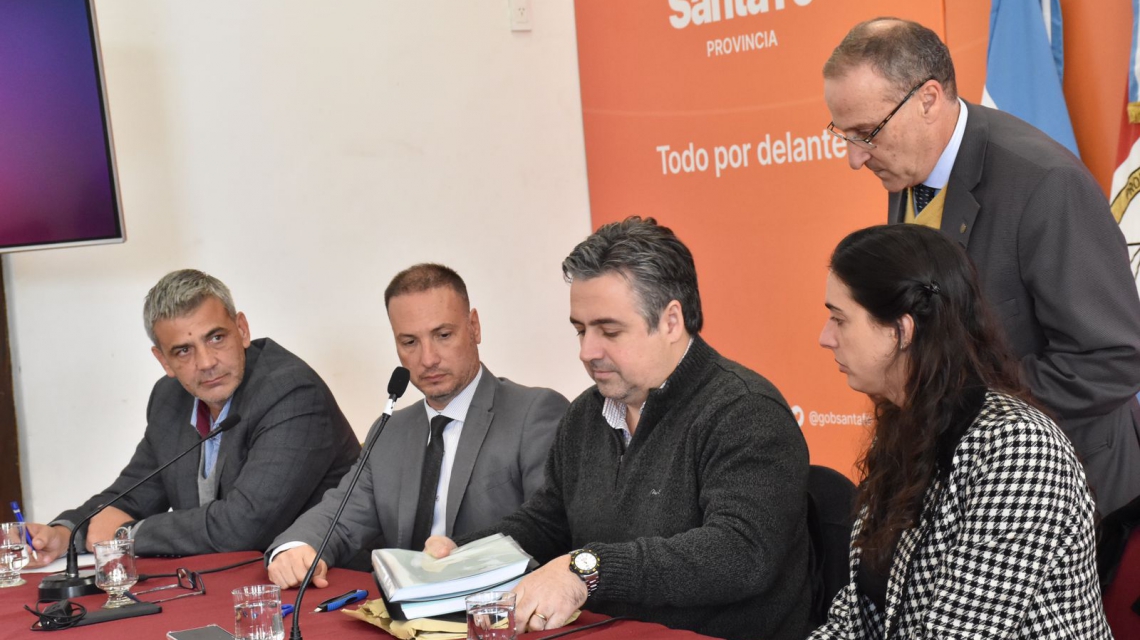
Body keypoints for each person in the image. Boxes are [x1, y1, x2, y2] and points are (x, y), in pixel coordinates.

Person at [426, 218, 811, 640]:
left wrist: (587, 569)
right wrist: (466, 555)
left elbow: (741, 554)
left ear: (671, 321)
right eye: (580, 330)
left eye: (609, 331)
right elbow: (548, 523)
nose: (587, 351)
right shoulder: (585, 415)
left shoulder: (746, 411)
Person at [822, 17, 1140, 516]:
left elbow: (1114, 358)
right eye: (844, 135)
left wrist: (962, 402)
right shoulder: (908, 165)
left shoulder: (1046, 185)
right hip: (967, 489)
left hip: (1072, 498)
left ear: (928, 99)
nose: (855, 159)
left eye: (867, 133)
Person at [814, 224, 1111, 638]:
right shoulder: (905, 426)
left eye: (839, 319)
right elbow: (858, 618)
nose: (825, 337)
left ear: (902, 331)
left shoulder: (1018, 451)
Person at [266, 263, 567, 588]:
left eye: (443, 335)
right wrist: (297, 548)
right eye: (410, 342)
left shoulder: (533, 413)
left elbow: (552, 531)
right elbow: (340, 515)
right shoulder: (390, 431)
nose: (428, 359)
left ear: (474, 327)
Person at [27, 269, 361, 562]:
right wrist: (65, 533)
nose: (206, 362)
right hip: (230, 581)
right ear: (164, 361)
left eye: (216, 338)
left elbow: (245, 525)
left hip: (328, 584)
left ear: (242, 329)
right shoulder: (171, 397)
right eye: (184, 351)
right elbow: (135, 493)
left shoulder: (291, 393)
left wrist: (127, 536)